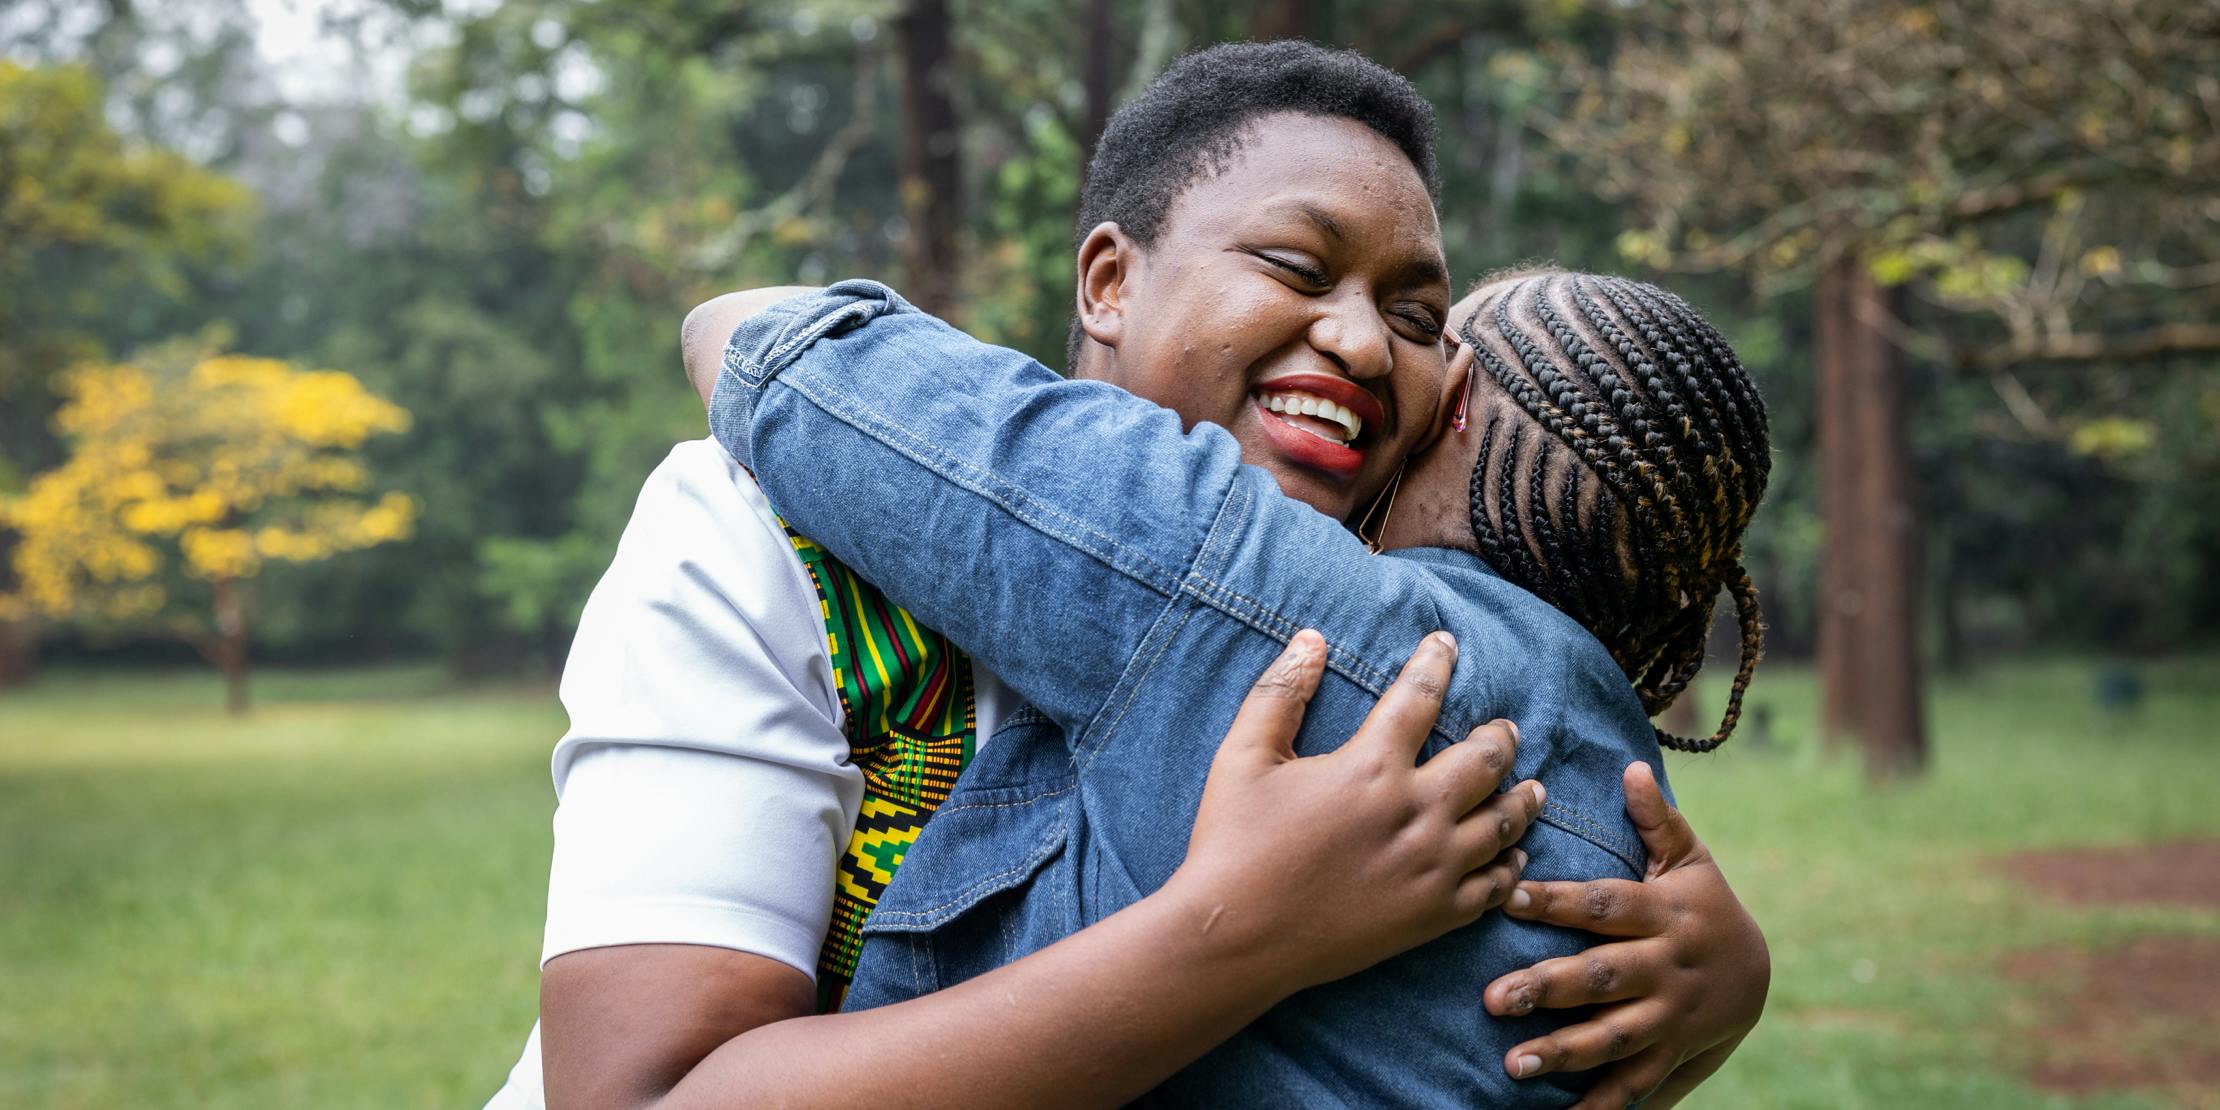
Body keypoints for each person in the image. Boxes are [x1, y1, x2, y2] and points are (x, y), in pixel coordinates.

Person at [496, 41, 1760, 1109]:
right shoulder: (761, 525)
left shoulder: (1399, 662)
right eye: (1297, 268)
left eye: (1423, 321)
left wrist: (1717, 987)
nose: (1368, 341)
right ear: (1109, 279)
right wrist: (1241, 935)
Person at [700, 262, 1772, 1107]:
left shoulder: (1272, 591)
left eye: (1420, 333)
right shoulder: (1650, 890)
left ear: (1452, 406)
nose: (1362, 350)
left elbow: (773, 350)